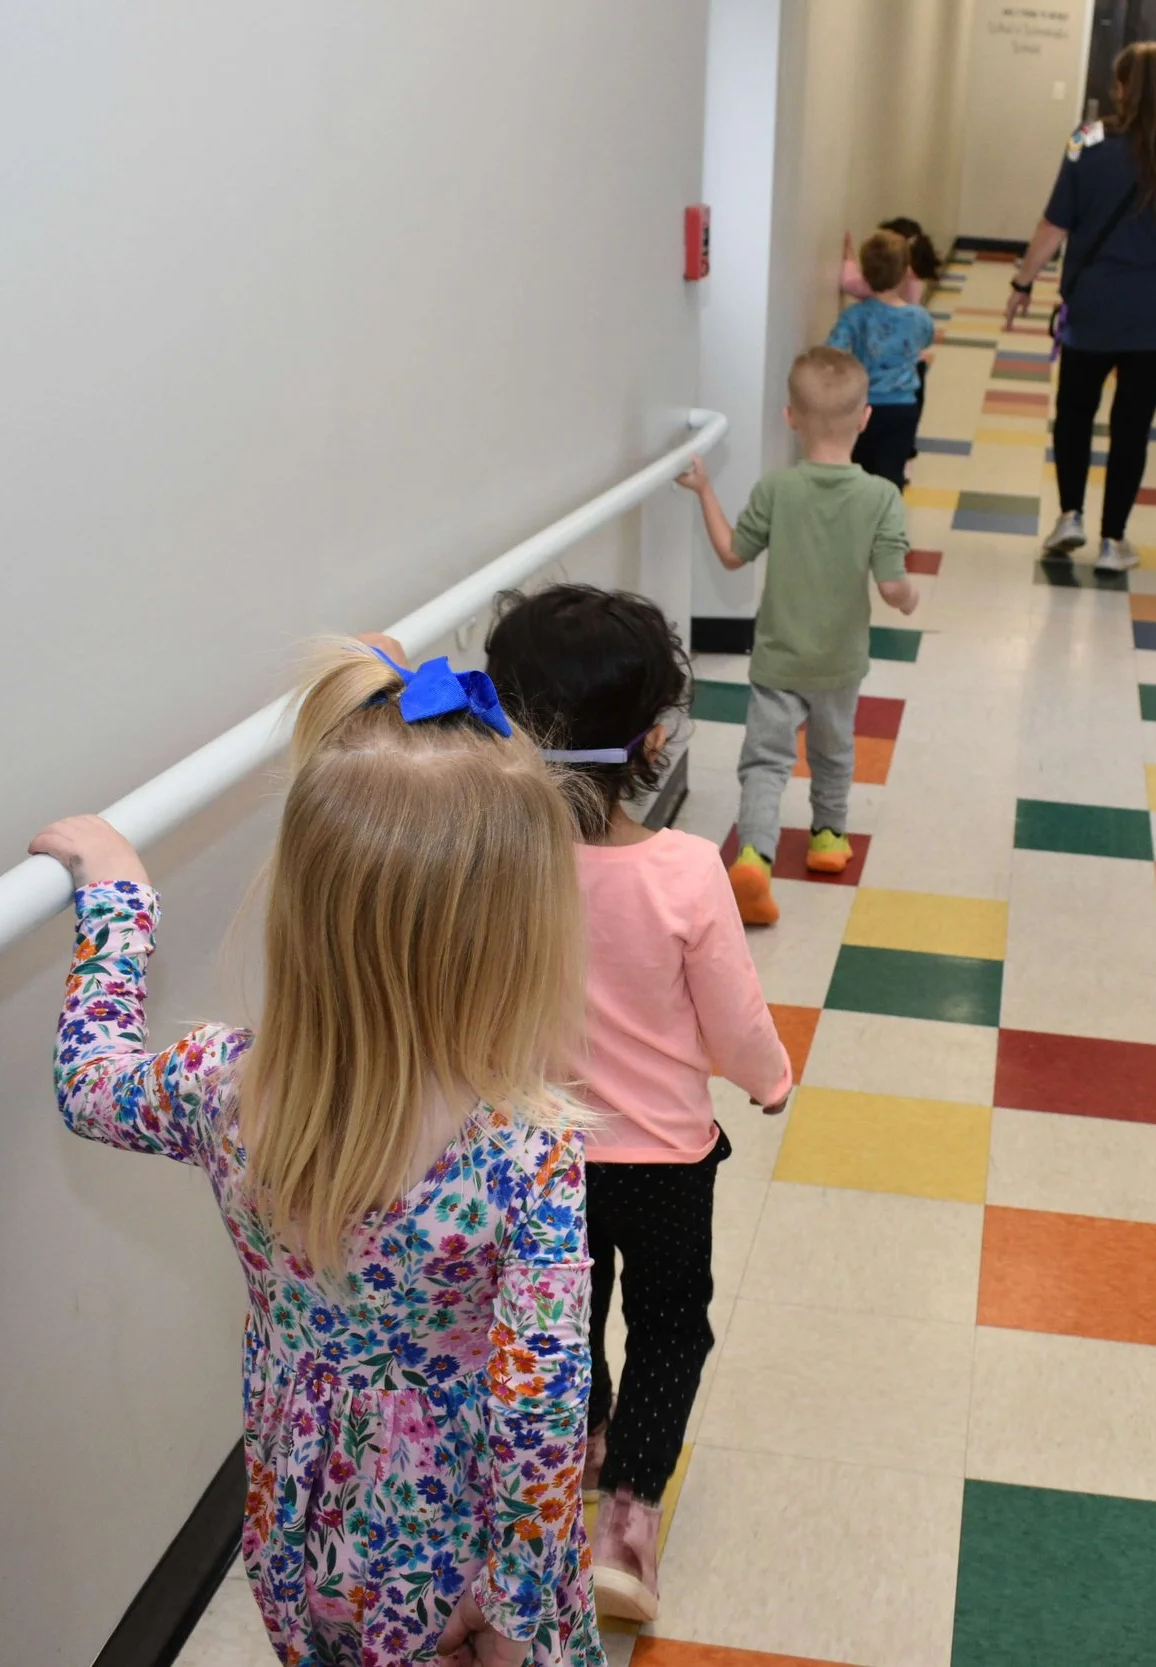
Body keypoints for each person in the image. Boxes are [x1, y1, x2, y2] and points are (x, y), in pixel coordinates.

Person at [30, 642, 602, 1667]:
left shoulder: (225, 1088)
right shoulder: (525, 1150)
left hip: (309, 1522)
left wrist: (117, 902)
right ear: (520, 935)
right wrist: (516, 1613)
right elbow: (541, 1399)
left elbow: (90, 1082)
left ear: (303, 908)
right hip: (461, 1549)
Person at [482, 583, 795, 1623]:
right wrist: (768, 1078)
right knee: (669, 1324)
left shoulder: (498, 868)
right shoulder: (683, 872)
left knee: (562, 1315)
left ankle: (573, 1443)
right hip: (662, 1155)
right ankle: (627, 1523)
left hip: (537, 1154)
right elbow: (733, 1016)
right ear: (655, 737)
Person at [675, 346, 919, 926]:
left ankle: (755, 855)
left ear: (790, 416)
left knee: (764, 761)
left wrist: (705, 490)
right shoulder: (881, 496)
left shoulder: (776, 490)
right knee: (833, 754)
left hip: (778, 659)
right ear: (866, 419)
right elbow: (891, 587)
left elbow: (733, 554)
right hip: (839, 661)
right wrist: (909, 598)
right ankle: (828, 840)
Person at [1002, 40, 1156, 573]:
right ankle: (1113, 541)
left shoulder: (1088, 138)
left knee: (1076, 412)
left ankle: (1070, 516)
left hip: (1094, 305)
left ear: (1121, 88)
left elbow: (1053, 224)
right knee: (1133, 424)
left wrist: (1022, 282)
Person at [826, 230, 936, 488]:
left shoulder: (854, 316)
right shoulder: (919, 318)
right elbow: (926, 340)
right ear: (906, 272)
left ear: (865, 274)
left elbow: (833, 351)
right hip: (903, 408)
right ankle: (886, 522)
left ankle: (860, 521)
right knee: (891, 474)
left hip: (863, 409)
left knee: (860, 472)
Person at [838, 217, 943, 428]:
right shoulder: (912, 282)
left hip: (876, 387)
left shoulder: (879, 293)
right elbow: (927, 336)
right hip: (910, 376)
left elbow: (850, 283)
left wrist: (849, 258)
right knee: (904, 435)